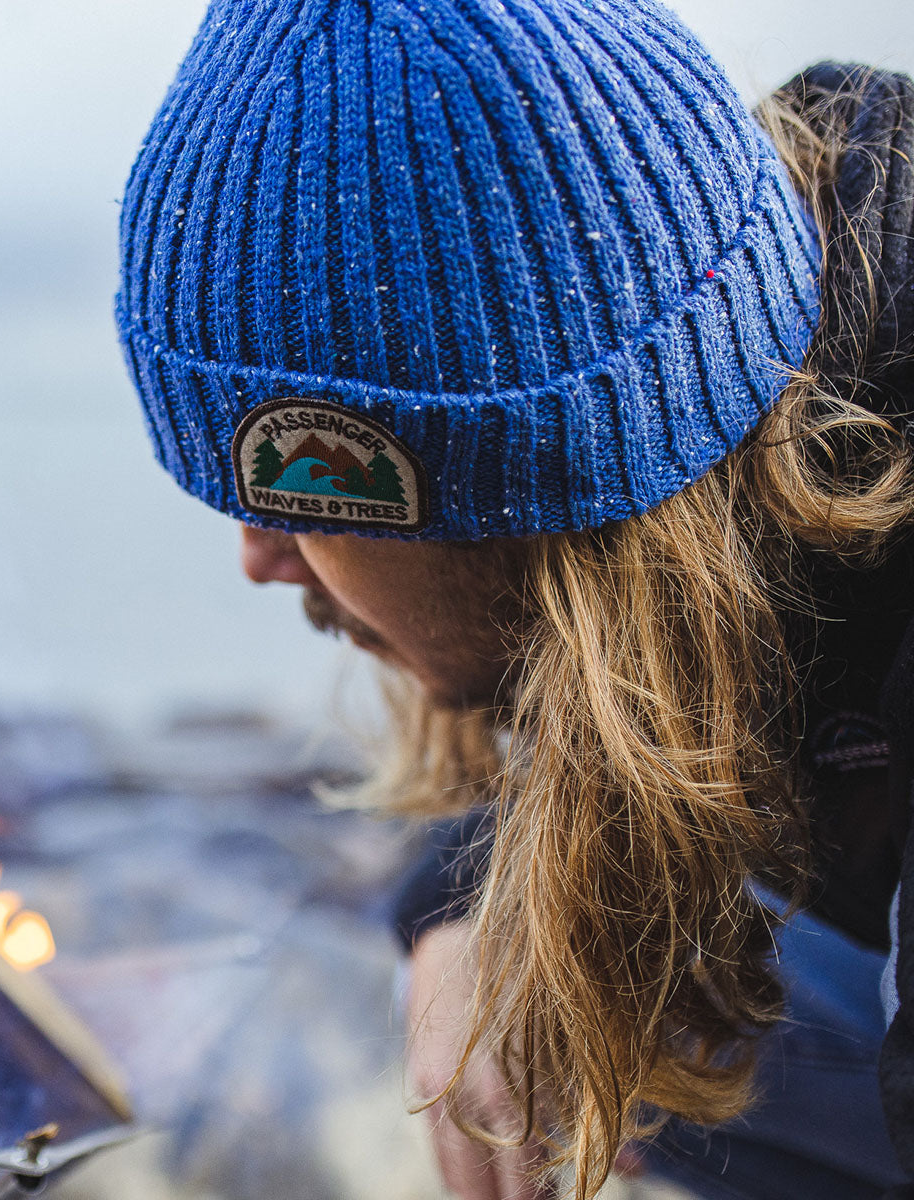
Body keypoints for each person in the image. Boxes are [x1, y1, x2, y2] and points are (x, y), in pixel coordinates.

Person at [116, 1, 914, 1196]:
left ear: (551, 500)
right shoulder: (717, 348)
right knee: (611, 1011)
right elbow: (601, 690)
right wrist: (471, 913)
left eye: (302, 495)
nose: (263, 562)